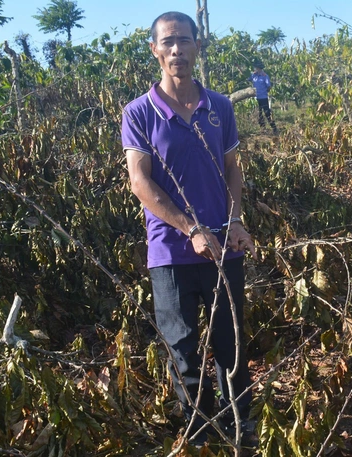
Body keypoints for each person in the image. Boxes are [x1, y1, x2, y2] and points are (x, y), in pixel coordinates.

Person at [121, 11, 257, 448]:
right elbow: (140, 181)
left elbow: (232, 168)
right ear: (154, 50)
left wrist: (234, 221)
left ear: (198, 46)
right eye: (168, 42)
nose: (176, 49)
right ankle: (199, 432)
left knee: (231, 344)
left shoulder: (220, 106)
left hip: (224, 250)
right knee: (183, 351)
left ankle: (241, 428)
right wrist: (190, 228)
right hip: (171, 254)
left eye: (184, 40)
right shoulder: (140, 113)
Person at [250, 61, 278, 134]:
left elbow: (269, 86)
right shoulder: (253, 76)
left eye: (256, 68)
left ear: (259, 68)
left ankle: (274, 127)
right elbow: (245, 75)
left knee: (267, 113)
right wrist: (238, 67)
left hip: (263, 97)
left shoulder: (265, 76)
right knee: (259, 114)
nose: (255, 69)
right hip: (256, 98)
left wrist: (264, 91)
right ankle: (263, 128)